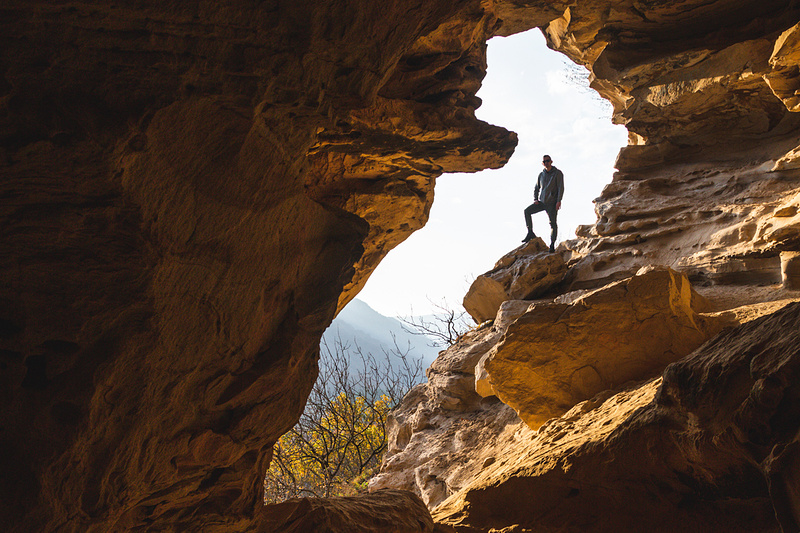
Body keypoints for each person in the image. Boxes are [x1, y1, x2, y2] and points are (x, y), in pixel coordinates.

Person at [522, 155, 564, 253]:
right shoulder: (541, 175)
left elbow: (561, 188)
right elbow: (536, 188)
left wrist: (559, 201)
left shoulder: (557, 173)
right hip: (541, 202)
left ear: (551, 161)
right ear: (542, 163)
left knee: (553, 223)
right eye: (544, 161)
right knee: (527, 211)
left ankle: (552, 244)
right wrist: (535, 199)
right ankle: (530, 232)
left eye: (548, 161)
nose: (546, 163)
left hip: (552, 203)